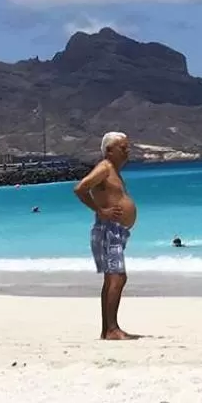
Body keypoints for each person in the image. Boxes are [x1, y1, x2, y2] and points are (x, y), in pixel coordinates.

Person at [74, 131, 139, 340]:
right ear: (109, 150)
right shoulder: (104, 168)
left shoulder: (113, 171)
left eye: (127, 147)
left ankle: (108, 329)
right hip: (108, 228)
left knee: (113, 279)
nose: (127, 150)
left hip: (115, 230)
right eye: (123, 147)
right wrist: (100, 210)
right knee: (117, 278)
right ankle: (111, 329)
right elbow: (81, 188)